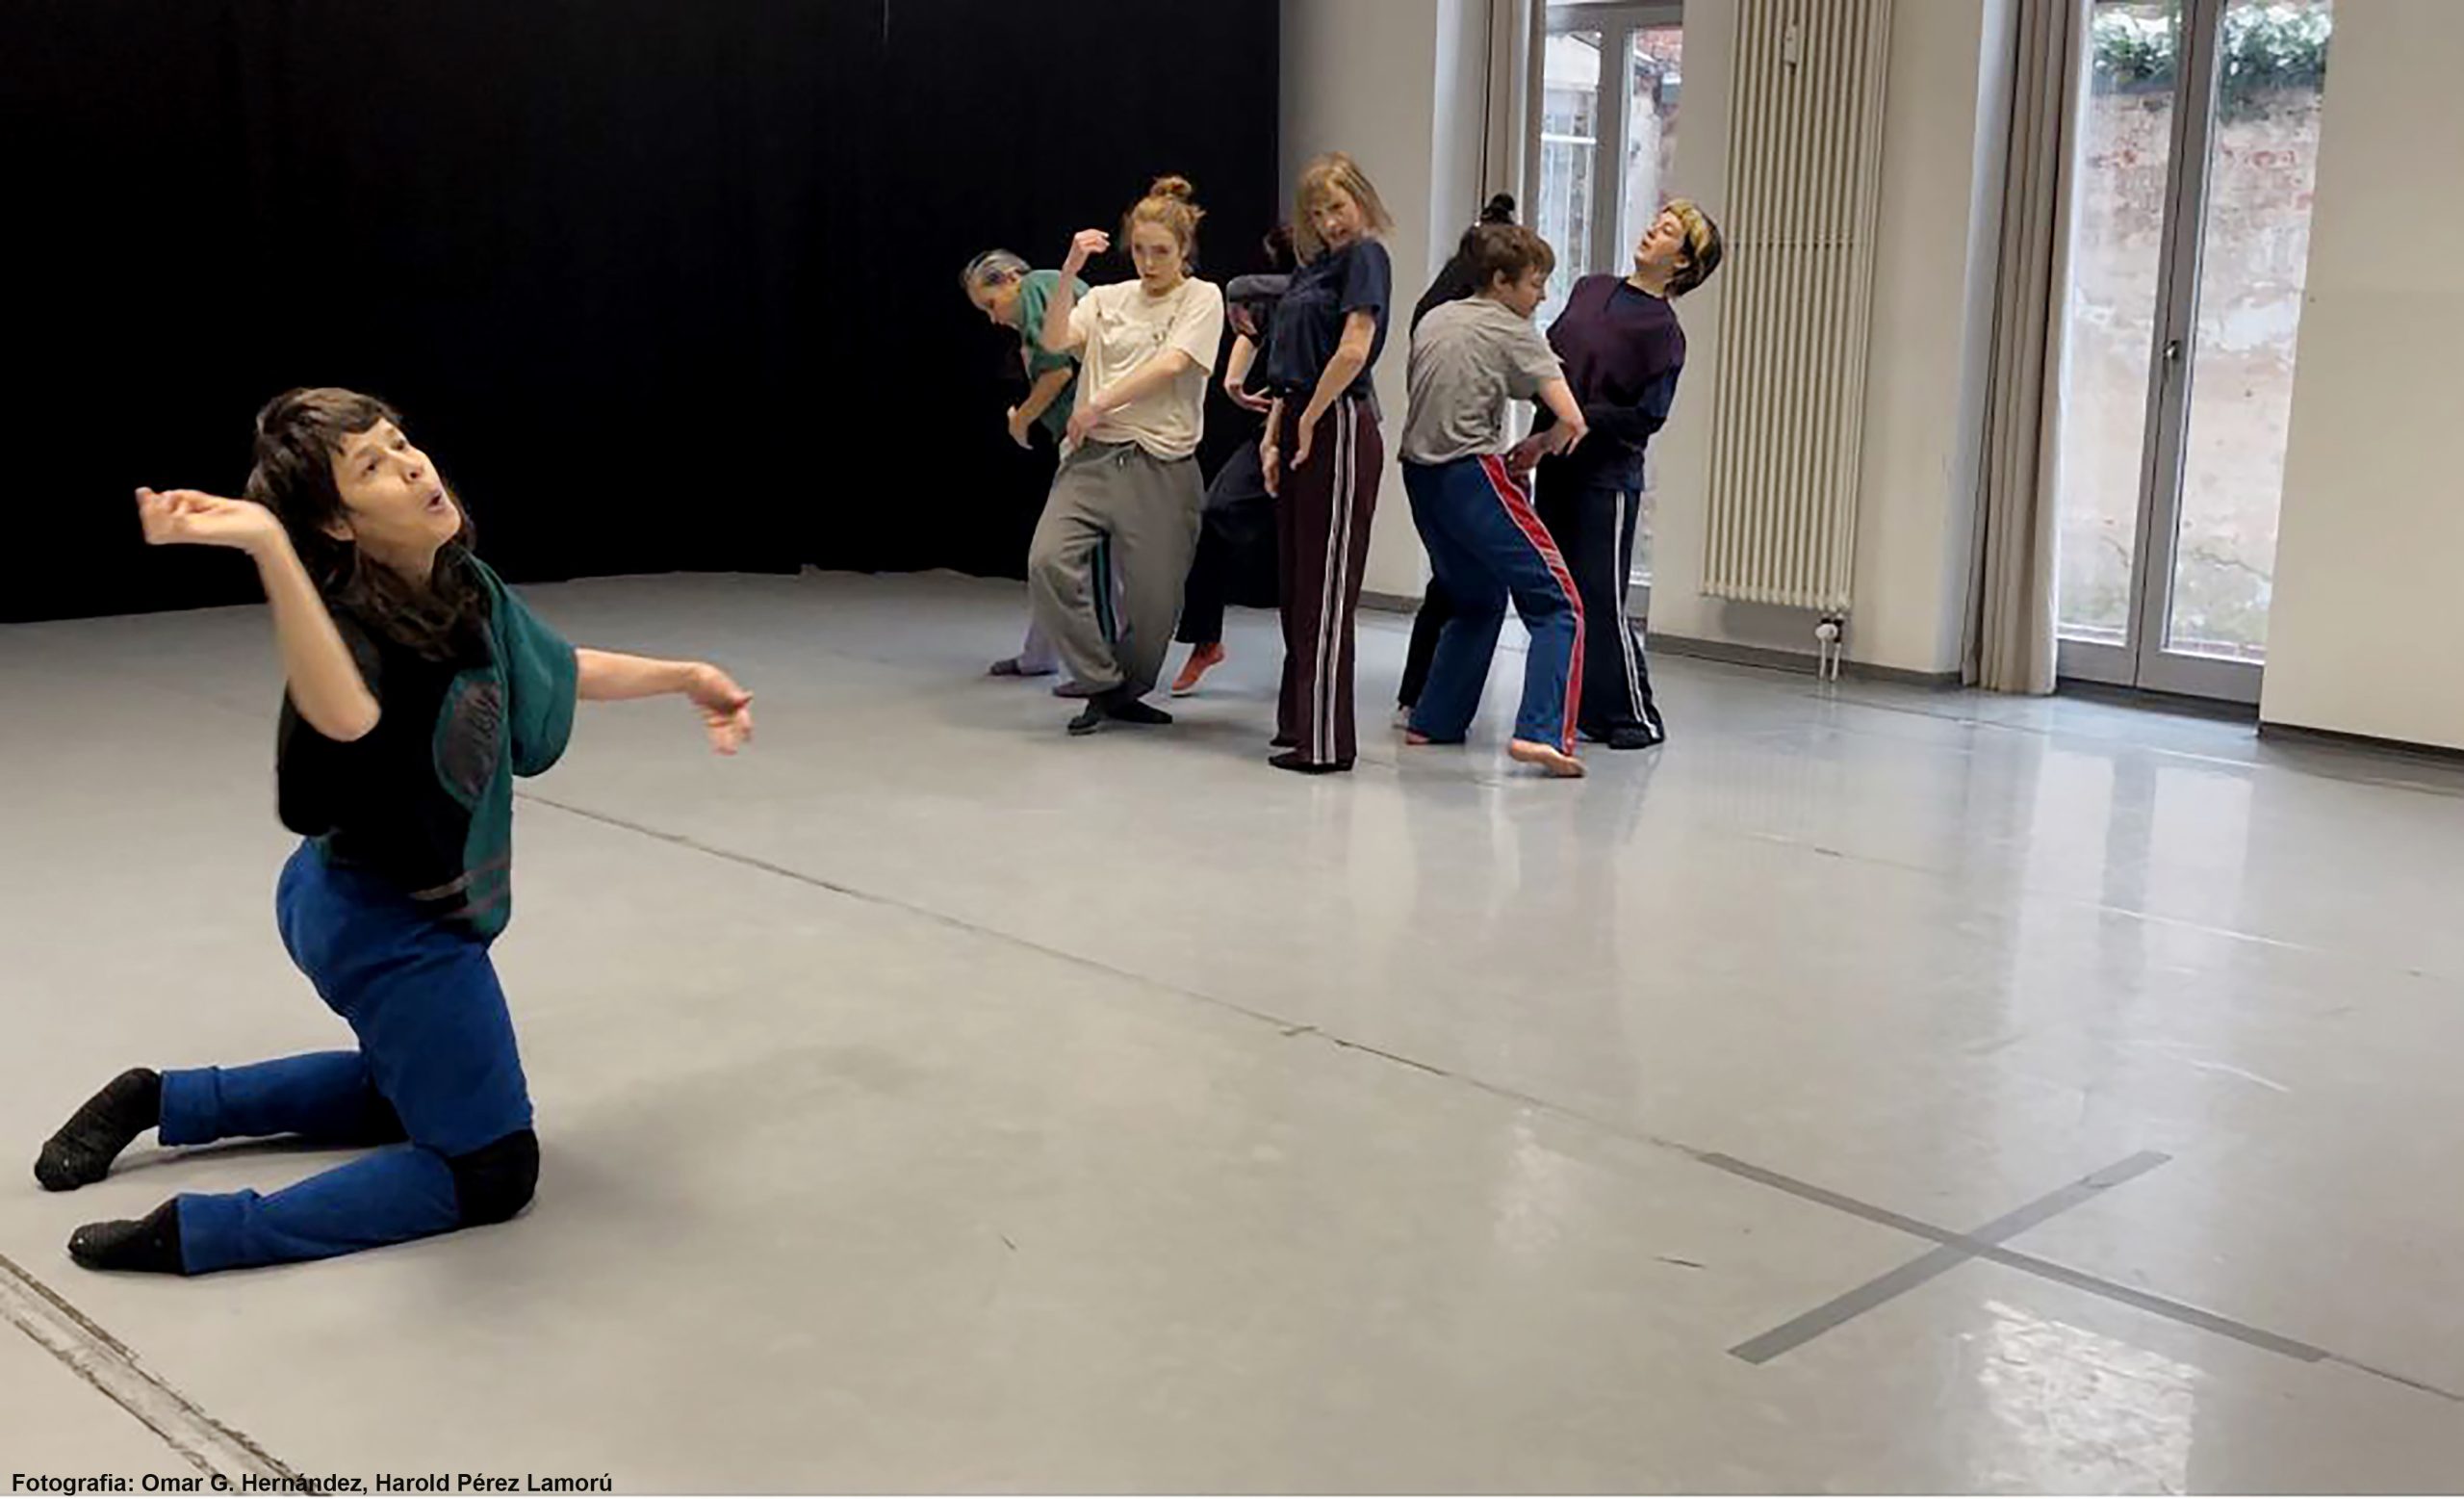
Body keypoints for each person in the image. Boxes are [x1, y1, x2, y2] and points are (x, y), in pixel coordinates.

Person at [37, 388, 755, 1275]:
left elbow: (553, 668)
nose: (412, 463)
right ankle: (202, 1229)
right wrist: (268, 547)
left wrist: (687, 677)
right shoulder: (354, 632)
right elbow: (342, 714)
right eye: (371, 466)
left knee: (404, 1092)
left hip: (358, 898)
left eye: (402, 443)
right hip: (384, 921)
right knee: (489, 1165)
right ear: (336, 524)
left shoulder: (464, 587)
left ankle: (159, 1098)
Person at [1511, 199, 1724, 749]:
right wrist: (1542, 434)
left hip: (1606, 479)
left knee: (1600, 597)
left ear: (1682, 263)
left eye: (1669, 231)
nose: (1654, 229)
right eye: (1658, 221)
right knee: (1561, 596)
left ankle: (1636, 715)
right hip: (1557, 465)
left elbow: (1646, 416)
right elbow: (1549, 362)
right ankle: (1578, 708)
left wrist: (1575, 424)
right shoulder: (1591, 288)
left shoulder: (1664, 332)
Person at [1028, 176, 1227, 736]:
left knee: (1155, 603)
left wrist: (1098, 403)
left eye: (1160, 251)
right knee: (1047, 562)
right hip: (1092, 460)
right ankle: (1103, 682)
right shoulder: (1108, 298)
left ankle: (1127, 688)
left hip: (1161, 464)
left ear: (1184, 249)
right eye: (1139, 249)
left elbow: (1171, 365)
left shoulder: (1202, 298)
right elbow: (1054, 338)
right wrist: (1068, 270)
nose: (1148, 261)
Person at [1397, 224, 1592, 778]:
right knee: (1561, 605)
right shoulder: (1514, 329)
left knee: (1476, 601)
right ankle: (1543, 732)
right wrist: (1541, 444)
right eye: (1536, 283)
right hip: (1472, 476)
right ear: (1502, 282)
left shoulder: (1437, 316)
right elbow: (1572, 418)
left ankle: (1433, 720)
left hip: (1419, 478)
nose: (1542, 296)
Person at [1257, 153, 1396, 774]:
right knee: (1297, 584)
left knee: (1327, 587)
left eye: (1337, 206)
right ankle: (1298, 723)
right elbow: (1288, 360)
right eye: (1317, 212)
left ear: (1361, 200)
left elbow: (1353, 348)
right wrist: (1275, 432)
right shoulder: (1313, 268)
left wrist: (1310, 417)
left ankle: (1326, 741)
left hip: (1335, 423)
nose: (1329, 221)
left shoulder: (1367, 257)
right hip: (1298, 418)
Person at [1396, 193, 1520, 721]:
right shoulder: (1463, 319)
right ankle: (1427, 701)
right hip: (1459, 465)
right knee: (1470, 589)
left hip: (1426, 463)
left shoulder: (1435, 316)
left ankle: (1417, 696)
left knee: (1448, 583)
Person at [960, 249, 1107, 691]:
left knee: (1075, 554)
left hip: (1093, 437)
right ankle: (1043, 654)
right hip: (1078, 435)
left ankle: (1098, 668)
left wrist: (1020, 419)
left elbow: (1056, 372)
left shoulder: (1041, 289)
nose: (994, 319)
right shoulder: (1043, 291)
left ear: (1009, 280)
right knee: (1062, 553)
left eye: (991, 304)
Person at [1168, 226, 1296, 698]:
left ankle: (1302, 668)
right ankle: (1206, 639)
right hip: (1269, 427)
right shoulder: (1274, 291)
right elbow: (1251, 328)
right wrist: (1233, 382)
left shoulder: (1329, 285)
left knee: (1300, 553)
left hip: (1321, 429)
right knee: (1215, 513)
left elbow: (1245, 292)